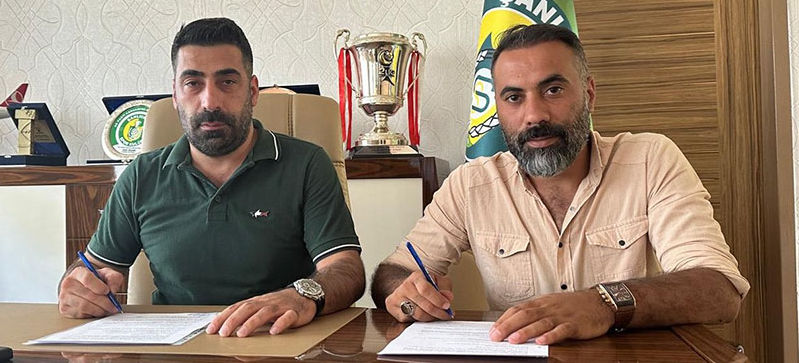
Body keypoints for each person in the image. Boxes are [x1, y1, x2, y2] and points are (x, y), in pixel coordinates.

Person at [371, 23, 749, 345]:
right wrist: (406, 292)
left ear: (589, 94)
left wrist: (603, 303)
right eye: (514, 97)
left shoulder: (651, 159)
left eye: (552, 90)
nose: (534, 115)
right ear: (498, 110)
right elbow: (393, 271)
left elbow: (719, 290)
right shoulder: (471, 185)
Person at [58, 17, 365, 338]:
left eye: (227, 81)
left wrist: (301, 296)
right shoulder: (140, 175)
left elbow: (346, 269)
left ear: (253, 91)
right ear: (175, 94)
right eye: (193, 83)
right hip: (174, 350)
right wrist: (77, 288)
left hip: (275, 340)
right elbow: (93, 269)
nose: (210, 102)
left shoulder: (307, 164)